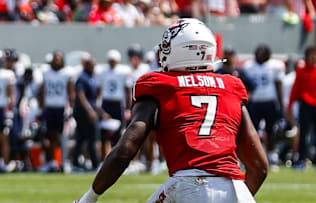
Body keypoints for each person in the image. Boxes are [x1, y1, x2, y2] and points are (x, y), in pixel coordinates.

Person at [74, 18, 268, 203]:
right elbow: (259, 166)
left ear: (180, 50)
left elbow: (125, 150)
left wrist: (90, 197)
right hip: (236, 189)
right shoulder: (231, 86)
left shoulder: (159, 85)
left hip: (188, 183)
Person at [287, 45, 316, 169]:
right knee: (304, 134)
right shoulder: (302, 71)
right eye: (312, 55)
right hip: (306, 105)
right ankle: (302, 160)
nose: (314, 57)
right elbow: (295, 89)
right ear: (307, 56)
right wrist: (290, 105)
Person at [243, 44, 285, 171]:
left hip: (269, 101)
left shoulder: (275, 65)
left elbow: (278, 85)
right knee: (252, 132)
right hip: (254, 103)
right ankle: (253, 157)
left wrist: (281, 103)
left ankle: (272, 157)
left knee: (271, 131)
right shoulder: (248, 66)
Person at [38, 51, 74, 172]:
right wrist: (42, 107)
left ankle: (64, 162)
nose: (57, 61)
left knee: (63, 136)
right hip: (49, 107)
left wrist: (70, 107)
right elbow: (42, 90)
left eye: (59, 58)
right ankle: (52, 162)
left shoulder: (67, 73)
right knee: (50, 136)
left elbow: (70, 92)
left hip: (61, 108)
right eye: (55, 58)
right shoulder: (46, 72)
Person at [72, 54, 100, 172]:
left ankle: (77, 163)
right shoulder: (83, 78)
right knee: (91, 138)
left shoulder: (91, 77)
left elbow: (93, 99)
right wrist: (90, 111)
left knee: (82, 138)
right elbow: (81, 96)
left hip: (88, 111)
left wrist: (100, 112)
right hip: (83, 112)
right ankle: (95, 164)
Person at [0, 50, 16, 173]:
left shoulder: (6, 75)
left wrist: (10, 111)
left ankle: (4, 163)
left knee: (4, 137)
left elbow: (10, 94)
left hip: (1, 109)